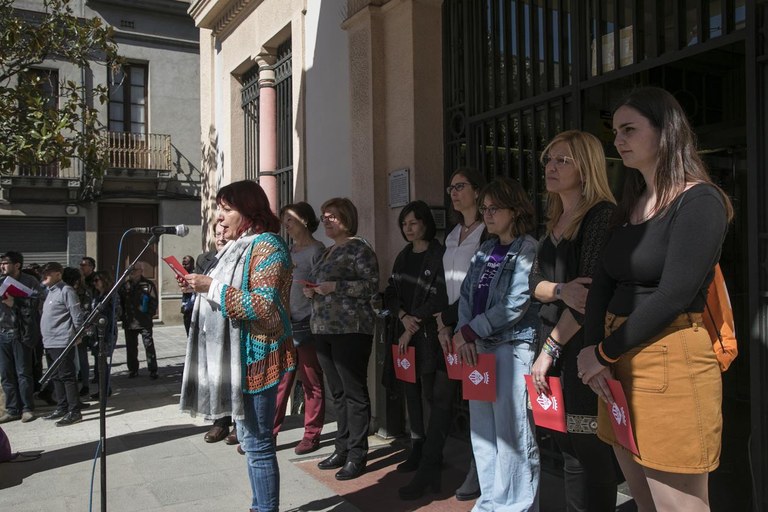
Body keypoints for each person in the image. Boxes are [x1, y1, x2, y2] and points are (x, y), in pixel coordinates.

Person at [577, 87, 733, 511]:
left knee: (678, 506)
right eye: (615, 132)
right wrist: (592, 350)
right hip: (615, 359)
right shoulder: (628, 203)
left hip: (669, 355)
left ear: (666, 133)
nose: (619, 140)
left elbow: (674, 295)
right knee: (644, 501)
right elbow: (602, 284)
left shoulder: (699, 200)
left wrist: (601, 353)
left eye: (629, 129)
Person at [180, 179, 296, 512]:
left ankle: (264, 509)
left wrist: (211, 287)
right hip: (233, 357)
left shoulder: (268, 245)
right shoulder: (233, 248)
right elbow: (222, 291)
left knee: (257, 444)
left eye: (226, 209)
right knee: (248, 440)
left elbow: (263, 307)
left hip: (256, 355)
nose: (218, 216)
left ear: (249, 211)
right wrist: (197, 288)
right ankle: (260, 505)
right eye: (219, 208)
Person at [528, 130, 618, 510]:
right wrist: (560, 289)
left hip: (579, 350)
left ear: (587, 166)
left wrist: (549, 350)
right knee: (564, 445)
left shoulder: (600, 216)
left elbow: (589, 298)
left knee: (589, 453)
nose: (551, 166)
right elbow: (534, 285)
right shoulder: (553, 222)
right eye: (549, 159)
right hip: (551, 346)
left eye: (562, 160)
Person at [400, 167, 487, 501]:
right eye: (450, 187)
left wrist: (451, 320)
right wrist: (442, 324)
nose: (453, 192)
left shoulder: (487, 233)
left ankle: (479, 474)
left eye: (460, 186)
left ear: (477, 192)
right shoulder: (452, 235)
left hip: (476, 330)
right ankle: (429, 470)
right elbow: (443, 284)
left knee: (481, 405)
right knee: (441, 400)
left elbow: (478, 286)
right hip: (449, 330)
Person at [453, 177, 541, 511]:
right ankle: (490, 501)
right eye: (485, 208)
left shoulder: (527, 247)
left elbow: (516, 303)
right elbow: (465, 295)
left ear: (515, 210)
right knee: (483, 433)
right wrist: (464, 333)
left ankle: (516, 505)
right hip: (477, 349)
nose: (487, 214)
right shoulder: (485, 250)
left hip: (510, 346)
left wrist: (470, 332)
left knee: (513, 433)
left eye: (494, 208)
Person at [307, 197, 379, 481]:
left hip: (351, 328)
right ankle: (342, 447)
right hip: (323, 328)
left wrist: (335, 287)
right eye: (324, 217)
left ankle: (358, 454)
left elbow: (371, 286)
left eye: (332, 216)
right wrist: (312, 290)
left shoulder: (359, 249)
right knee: (336, 393)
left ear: (346, 218)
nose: (326, 221)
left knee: (354, 393)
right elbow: (321, 284)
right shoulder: (326, 252)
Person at [382, 200, 448, 474]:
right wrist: (402, 317)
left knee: (430, 394)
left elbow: (441, 296)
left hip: (429, 334)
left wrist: (413, 323)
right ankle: (416, 445)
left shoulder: (440, 254)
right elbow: (392, 291)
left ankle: (433, 450)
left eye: (414, 223)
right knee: (410, 391)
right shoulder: (403, 255)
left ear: (425, 224)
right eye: (404, 224)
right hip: (405, 332)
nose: (408, 229)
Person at [272, 202, 326, 455]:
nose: (286, 224)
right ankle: (269, 434)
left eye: (290, 219)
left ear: (305, 220)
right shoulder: (289, 251)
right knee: (281, 381)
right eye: (284, 220)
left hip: (308, 323)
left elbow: (322, 286)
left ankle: (311, 434)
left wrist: (313, 291)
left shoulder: (318, 249)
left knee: (310, 381)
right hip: (286, 323)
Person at [39, 262, 85, 427]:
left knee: (67, 376)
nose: (44, 276)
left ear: (58, 274)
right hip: (50, 341)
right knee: (55, 376)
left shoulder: (66, 291)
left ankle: (74, 411)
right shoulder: (50, 292)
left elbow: (76, 315)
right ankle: (62, 406)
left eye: (48, 274)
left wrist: (78, 334)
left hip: (62, 340)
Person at [0, 251, 43, 424]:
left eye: (5, 263)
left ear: (17, 265)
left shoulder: (30, 281)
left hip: (21, 333)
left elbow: (36, 303)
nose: (2, 266)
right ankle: (12, 409)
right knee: (6, 374)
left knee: (23, 373)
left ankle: (27, 408)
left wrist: (15, 302)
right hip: (2, 332)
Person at [118, 261, 159, 379]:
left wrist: (149, 315)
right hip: (130, 321)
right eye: (130, 270)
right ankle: (133, 369)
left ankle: (153, 369)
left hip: (144, 321)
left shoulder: (148, 284)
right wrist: (122, 316)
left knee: (148, 345)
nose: (132, 272)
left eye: (134, 270)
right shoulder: (125, 285)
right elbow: (120, 302)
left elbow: (153, 301)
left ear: (141, 271)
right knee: (131, 347)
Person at [88, 271, 119, 400]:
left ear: (104, 281)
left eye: (97, 280)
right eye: (94, 281)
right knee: (98, 363)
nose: (95, 283)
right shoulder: (97, 295)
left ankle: (105, 389)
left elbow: (115, 313)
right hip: (96, 332)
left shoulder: (111, 295)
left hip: (107, 332)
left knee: (102, 362)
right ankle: (103, 389)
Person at [180, 255, 196, 336]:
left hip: (193, 308)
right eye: (183, 264)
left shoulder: (195, 275)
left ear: (192, 264)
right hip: (186, 308)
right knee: (188, 333)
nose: (184, 266)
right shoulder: (184, 275)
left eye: (186, 264)